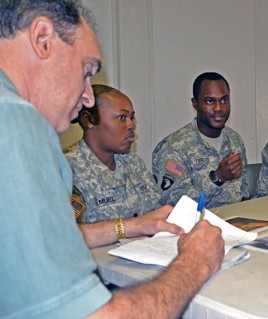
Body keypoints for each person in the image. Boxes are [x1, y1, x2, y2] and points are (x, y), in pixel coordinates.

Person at [0, 1, 224, 318]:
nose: (88, 97)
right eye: (87, 71)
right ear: (43, 38)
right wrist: (195, 263)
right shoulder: (14, 122)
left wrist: (131, 226)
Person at [65, 84, 182, 248]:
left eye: (131, 118)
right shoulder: (66, 169)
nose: (131, 125)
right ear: (89, 120)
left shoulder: (133, 163)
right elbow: (62, 238)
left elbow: (157, 213)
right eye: (121, 118)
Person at [152, 72, 248, 208]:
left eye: (224, 100)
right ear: (195, 104)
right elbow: (173, 203)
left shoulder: (234, 139)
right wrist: (217, 178)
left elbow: (243, 186)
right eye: (210, 101)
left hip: (236, 219)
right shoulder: (173, 148)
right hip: (196, 225)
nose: (219, 108)